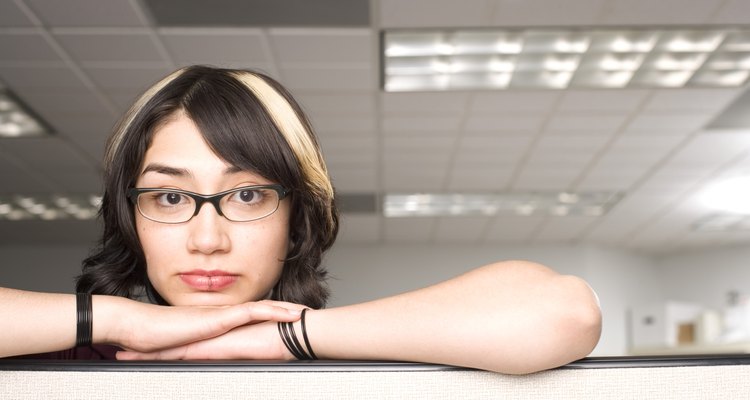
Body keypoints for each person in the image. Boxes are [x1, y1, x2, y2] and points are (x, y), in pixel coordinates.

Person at [0, 65, 601, 374]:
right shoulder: (64, 363)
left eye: (247, 196)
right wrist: (119, 321)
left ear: (298, 216)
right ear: (130, 216)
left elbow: (562, 311)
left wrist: (287, 338)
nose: (207, 240)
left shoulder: (349, 362)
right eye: (170, 199)